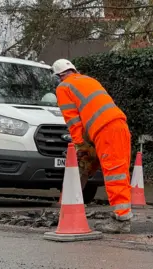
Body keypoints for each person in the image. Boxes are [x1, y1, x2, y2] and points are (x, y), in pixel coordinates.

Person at [52, 58, 133, 233]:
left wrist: (80, 144)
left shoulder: (64, 87)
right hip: (120, 125)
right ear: (74, 70)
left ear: (59, 76)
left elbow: (72, 120)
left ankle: (121, 218)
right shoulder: (89, 80)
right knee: (119, 172)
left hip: (104, 130)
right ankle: (121, 214)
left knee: (114, 174)